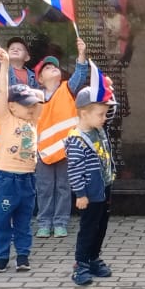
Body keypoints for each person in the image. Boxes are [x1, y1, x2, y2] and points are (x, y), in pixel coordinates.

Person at [0, 48, 45, 273]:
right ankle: (2, 256)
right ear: (12, 106)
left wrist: (31, 94)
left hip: (27, 179)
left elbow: (41, 100)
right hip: (7, 178)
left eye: (32, 104)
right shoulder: (6, 118)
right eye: (26, 104)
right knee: (1, 219)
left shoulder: (33, 120)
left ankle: (23, 255)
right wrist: (5, 65)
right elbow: (3, 91)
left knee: (23, 219)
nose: (31, 107)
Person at [34, 42, 89, 239]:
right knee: (45, 188)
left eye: (55, 66)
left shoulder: (68, 88)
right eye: (47, 67)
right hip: (43, 151)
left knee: (64, 187)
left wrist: (81, 54)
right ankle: (44, 222)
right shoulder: (35, 96)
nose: (53, 68)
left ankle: (60, 222)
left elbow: (80, 75)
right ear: (40, 78)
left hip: (67, 150)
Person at [67, 88, 117, 287]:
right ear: (84, 114)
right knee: (88, 228)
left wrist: (108, 92)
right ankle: (81, 264)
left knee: (101, 226)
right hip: (89, 193)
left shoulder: (98, 129)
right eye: (100, 114)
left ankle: (94, 258)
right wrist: (80, 194)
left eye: (105, 114)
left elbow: (111, 111)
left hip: (104, 188)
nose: (105, 118)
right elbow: (74, 170)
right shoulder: (77, 140)